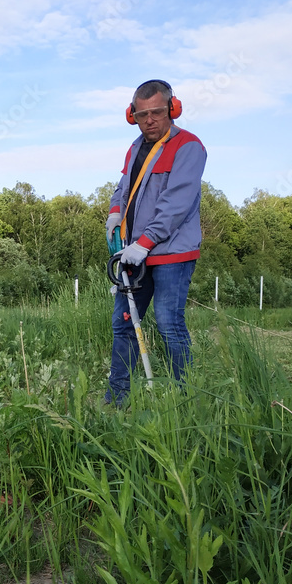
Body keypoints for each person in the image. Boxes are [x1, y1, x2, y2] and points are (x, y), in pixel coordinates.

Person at [104, 79, 206, 405]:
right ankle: (117, 399)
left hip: (171, 253)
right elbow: (124, 188)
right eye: (142, 114)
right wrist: (115, 214)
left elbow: (176, 204)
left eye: (157, 112)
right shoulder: (135, 148)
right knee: (123, 324)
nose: (149, 120)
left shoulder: (188, 147)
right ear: (131, 115)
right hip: (134, 252)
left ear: (172, 109)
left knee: (168, 324)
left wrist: (145, 242)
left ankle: (183, 400)